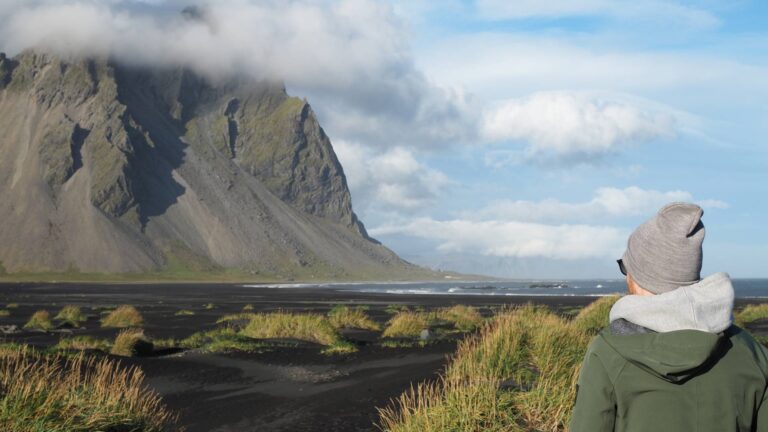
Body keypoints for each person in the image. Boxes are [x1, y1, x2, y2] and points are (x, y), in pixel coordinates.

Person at [570, 202, 768, 432]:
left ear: (639, 277)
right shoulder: (752, 353)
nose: (626, 278)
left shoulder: (608, 352)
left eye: (626, 267)